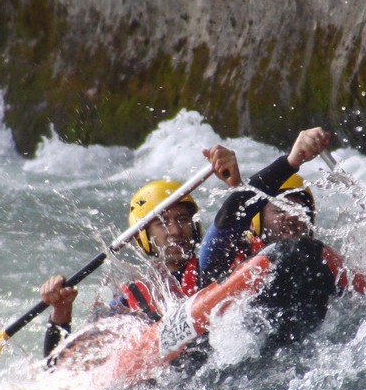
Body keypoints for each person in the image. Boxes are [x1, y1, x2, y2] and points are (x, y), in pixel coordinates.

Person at [40, 145, 240, 364]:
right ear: (144, 236)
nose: (175, 230)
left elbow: (243, 229)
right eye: (161, 223)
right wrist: (61, 310)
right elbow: (61, 367)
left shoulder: (215, 263)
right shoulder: (128, 299)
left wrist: (236, 185)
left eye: (182, 219)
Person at [199, 127, 366, 350]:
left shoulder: (319, 263)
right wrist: (291, 162)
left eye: (300, 210)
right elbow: (228, 218)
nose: (292, 215)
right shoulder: (225, 261)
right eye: (280, 210)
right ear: (257, 221)